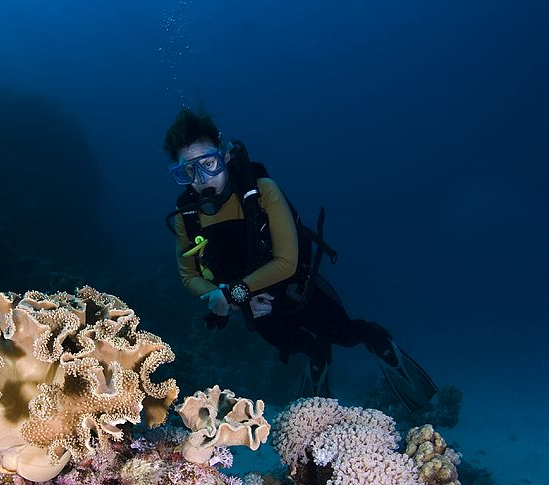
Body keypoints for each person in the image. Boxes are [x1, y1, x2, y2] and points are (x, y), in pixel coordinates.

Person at [163, 108, 437, 412]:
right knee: (296, 346)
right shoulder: (186, 217)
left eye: (209, 164)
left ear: (225, 156)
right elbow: (189, 275)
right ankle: (318, 360)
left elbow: (287, 262)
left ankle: (382, 345)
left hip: (299, 290)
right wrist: (221, 297)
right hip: (256, 308)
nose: (202, 180)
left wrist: (231, 294)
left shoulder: (263, 191)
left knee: (343, 334)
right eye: (189, 171)